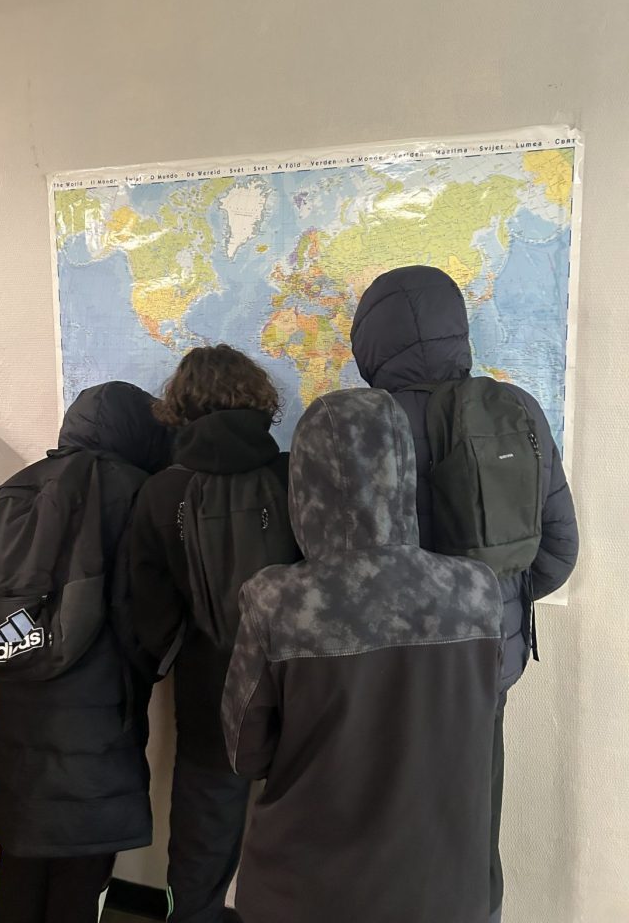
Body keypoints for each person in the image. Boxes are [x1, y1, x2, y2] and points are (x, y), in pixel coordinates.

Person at [350, 264, 580, 922]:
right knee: (475, 826)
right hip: (484, 663)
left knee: (385, 831)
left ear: (371, 339)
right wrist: (498, 604)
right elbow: (557, 550)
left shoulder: (358, 424)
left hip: (386, 670)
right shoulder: (515, 410)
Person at [222, 388, 504, 923]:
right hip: (447, 891)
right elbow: (480, 724)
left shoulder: (276, 601)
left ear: (305, 480)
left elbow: (245, 754)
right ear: (404, 470)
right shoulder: (477, 590)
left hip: (307, 895)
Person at [0, 382, 171, 923]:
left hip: (18, 714)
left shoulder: (13, 491)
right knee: (81, 872)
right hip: (99, 719)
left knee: (20, 860)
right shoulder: (137, 494)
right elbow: (145, 623)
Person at [131, 344, 297, 923]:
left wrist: (173, 655)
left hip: (209, 689)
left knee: (202, 833)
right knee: (297, 822)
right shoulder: (293, 475)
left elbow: (147, 612)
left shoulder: (161, 492)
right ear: (258, 399)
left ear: (180, 407)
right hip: (296, 681)